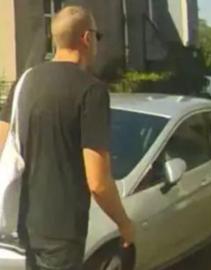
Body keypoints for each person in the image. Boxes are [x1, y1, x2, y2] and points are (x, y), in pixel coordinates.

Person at [0, 6, 134, 270]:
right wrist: (124, 224)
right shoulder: (92, 91)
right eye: (98, 36)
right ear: (86, 38)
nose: (97, 43)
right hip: (63, 232)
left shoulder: (24, 82)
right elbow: (97, 181)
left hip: (25, 223)